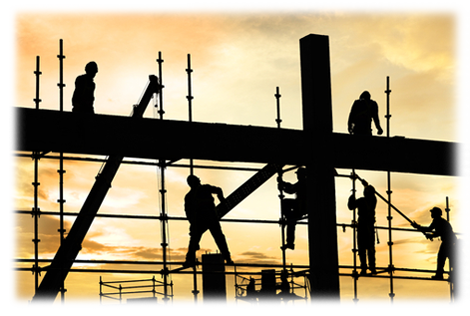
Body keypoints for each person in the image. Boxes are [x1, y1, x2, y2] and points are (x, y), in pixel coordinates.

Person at [183, 174, 233, 267]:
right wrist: (222, 200)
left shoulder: (189, 196)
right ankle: (227, 258)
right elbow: (218, 190)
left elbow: (188, 212)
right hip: (210, 218)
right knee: (219, 237)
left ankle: (189, 260)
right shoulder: (204, 189)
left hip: (200, 220)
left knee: (194, 240)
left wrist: (192, 224)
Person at [412, 207, 457, 279]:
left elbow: (437, 232)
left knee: (445, 257)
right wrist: (419, 227)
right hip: (448, 241)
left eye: (432, 212)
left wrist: (430, 234)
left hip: (448, 241)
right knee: (445, 258)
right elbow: (432, 230)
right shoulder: (438, 221)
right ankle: (444, 274)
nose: (431, 214)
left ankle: (446, 274)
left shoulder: (438, 221)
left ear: (436, 213)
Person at [347, 178, 377, 275]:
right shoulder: (371, 201)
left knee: (362, 248)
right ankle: (371, 267)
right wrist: (366, 186)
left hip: (363, 226)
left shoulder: (363, 201)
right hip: (367, 226)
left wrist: (352, 197)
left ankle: (365, 267)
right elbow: (351, 206)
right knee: (369, 248)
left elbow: (351, 206)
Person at [277, 167, 307, 250]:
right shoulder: (304, 182)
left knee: (285, 203)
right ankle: (290, 243)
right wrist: (283, 183)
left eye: (298, 175)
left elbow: (291, 190)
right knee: (291, 222)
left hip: (301, 207)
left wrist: (283, 186)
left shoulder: (303, 183)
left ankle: (288, 217)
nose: (297, 176)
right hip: (301, 206)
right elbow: (292, 186)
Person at [450, 239, 469, 309]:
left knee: (460, 297)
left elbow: (456, 266)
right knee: (460, 298)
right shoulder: (459, 255)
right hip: (461, 277)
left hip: (460, 278)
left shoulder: (460, 256)